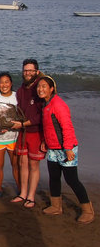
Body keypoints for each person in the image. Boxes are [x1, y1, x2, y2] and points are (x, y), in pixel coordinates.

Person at [38, 76, 93, 223]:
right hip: (53, 149)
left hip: (66, 148)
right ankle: (56, 206)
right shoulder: (45, 104)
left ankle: (88, 210)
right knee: (54, 178)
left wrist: (68, 149)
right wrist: (45, 141)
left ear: (52, 89)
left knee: (72, 180)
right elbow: (48, 126)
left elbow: (67, 127)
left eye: (44, 86)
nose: (40, 89)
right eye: (39, 87)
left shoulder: (58, 104)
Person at [10, 59, 46, 208]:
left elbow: (41, 116)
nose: (28, 73)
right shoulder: (20, 91)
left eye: (31, 70)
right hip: (23, 132)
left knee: (33, 165)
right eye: (25, 70)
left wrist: (24, 124)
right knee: (22, 163)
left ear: (37, 72)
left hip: (36, 132)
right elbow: (19, 112)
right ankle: (23, 193)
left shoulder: (40, 89)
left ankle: (31, 196)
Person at [0, 72, 19, 197]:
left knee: (16, 165)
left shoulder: (18, 97)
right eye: (1, 82)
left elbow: (22, 116)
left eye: (7, 82)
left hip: (14, 138)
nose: (4, 85)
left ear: (11, 83)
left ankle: (20, 189)